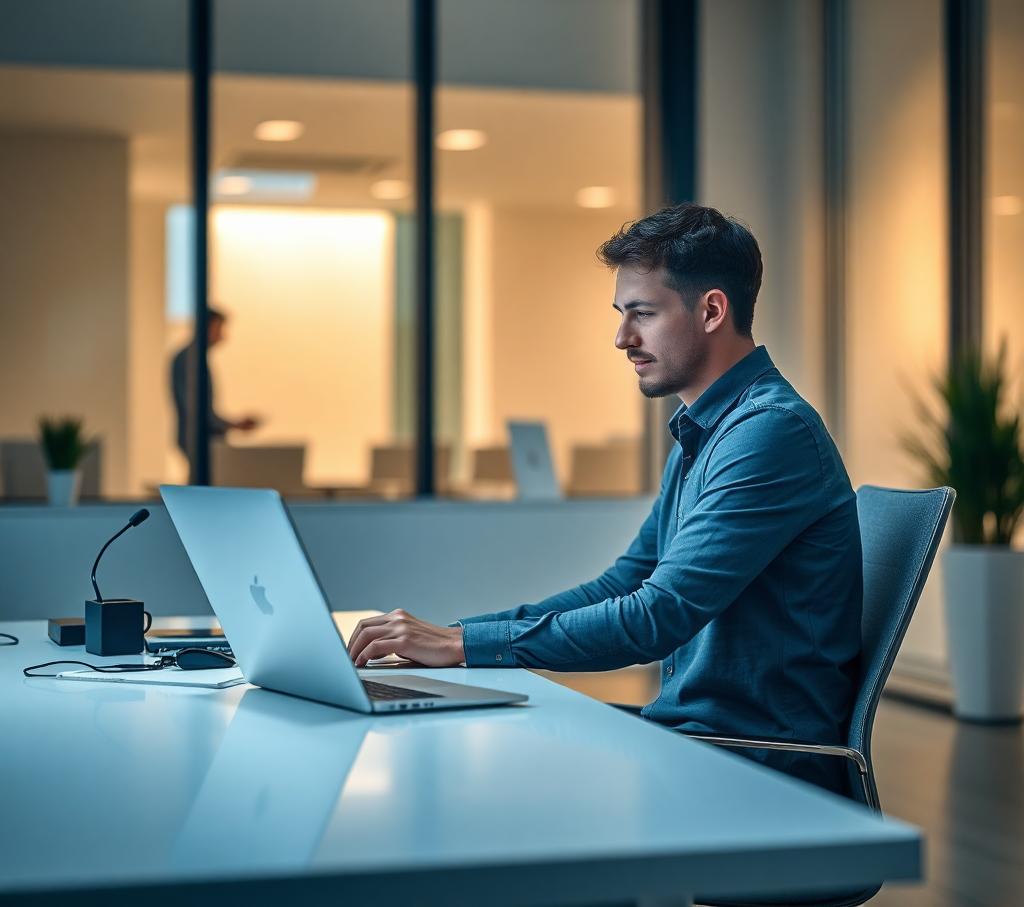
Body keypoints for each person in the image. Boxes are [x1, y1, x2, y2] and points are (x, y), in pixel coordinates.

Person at [348, 203, 863, 794]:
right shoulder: (704, 433)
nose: (622, 338)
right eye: (622, 315)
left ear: (712, 310)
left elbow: (657, 618)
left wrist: (462, 646)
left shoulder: (769, 433)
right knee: (460, 743)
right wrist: (450, 636)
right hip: (691, 738)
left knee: (477, 775)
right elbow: (624, 584)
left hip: (755, 766)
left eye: (642, 314)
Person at [171, 308, 260, 475]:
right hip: (198, 440)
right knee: (204, 488)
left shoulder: (194, 358)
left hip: (202, 439)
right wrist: (232, 425)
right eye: (219, 329)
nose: (223, 336)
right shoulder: (189, 360)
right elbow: (195, 409)